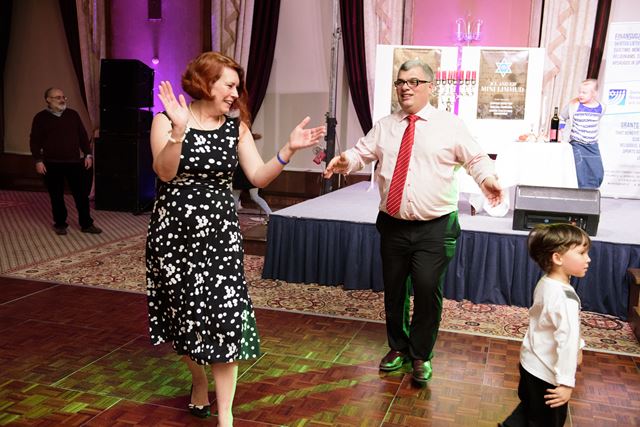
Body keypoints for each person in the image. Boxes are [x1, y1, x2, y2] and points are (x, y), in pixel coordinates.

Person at [145, 51, 325, 425]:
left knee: (224, 318)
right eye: (229, 85)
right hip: (174, 236)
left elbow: (258, 175)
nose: (234, 93)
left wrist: (288, 149)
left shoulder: (236, 128)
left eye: (236, 87)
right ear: (205, 82)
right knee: (184, 317)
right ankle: (198, 381)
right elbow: (164, 172)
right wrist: (178, 132)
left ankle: (225, 416)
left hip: (219, 237)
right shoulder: (166, 120)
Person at [324, 59, 503, 385]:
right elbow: (361, 152)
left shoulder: (450, 125)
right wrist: (345, 160)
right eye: (400, 82)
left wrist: (487, 180)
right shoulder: (386, 125)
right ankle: (398, 347)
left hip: (435, 227)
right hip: (392, 224)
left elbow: (476, 159)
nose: (405, 87)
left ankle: (420, 354)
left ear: (430, 87)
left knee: (426, 287)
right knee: (394, 290)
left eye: (413, 82)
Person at [501, 223, 590, 427]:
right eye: (582, 253)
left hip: (530, 365)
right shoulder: (565, 298)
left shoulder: (546, 282)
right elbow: (566, 340)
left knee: (528, 413)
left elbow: (552, 325)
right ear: (557, 258)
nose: (588, 259)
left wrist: (579, 345)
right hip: (547, 375)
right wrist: (566, 383)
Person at [29, 87, 102, 235]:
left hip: (74, 162)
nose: (62, 100)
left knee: (81, 195)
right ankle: (60, 224)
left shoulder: (72, 115)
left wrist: (88, 154)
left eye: (63, 97)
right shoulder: (40, 118)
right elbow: (34, 141)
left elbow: (82, 136)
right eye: (58, 97)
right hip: (51, 163)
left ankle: (86, 224)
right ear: (48, 100)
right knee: (56, 195)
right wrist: (38, 160)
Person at [560, 79, 606, 189]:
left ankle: (591, 192)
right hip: (577, 144)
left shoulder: (601, 107)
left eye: (584, 92)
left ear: (594, 94)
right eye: (579, 92)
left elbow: (596, 121)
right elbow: (561, 117)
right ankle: (581, 194)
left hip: (592, 146)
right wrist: (561, 131)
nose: (580, 95)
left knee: (597, 172)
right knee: (580, 173)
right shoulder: (574, 105)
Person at [232, 133, 273, 218]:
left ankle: (233, 217)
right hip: (247, 173)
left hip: (245, 174)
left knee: (237, 196)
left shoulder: (240, 148)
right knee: (250, 196)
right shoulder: (249, 149)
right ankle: (270, 213)